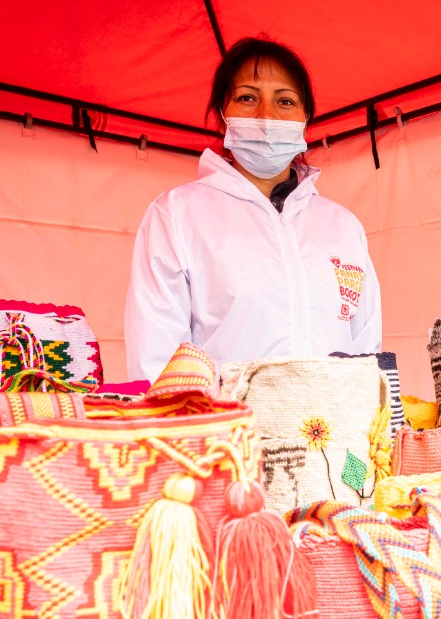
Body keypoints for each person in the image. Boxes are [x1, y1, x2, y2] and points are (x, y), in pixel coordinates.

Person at [124, 38, 381, 382]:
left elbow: (367, 353)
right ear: (221, 116)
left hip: (332, 433)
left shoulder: (343, 226)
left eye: (285, 101)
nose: (266, 116)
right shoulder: (177, 215)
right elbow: (156, 362)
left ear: (305, 123)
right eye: (247, 98)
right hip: (229, 433)